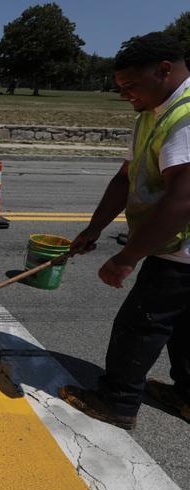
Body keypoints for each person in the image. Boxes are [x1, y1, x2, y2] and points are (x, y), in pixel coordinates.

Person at [60, 32, 190, 430]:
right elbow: (124, 179)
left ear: (164, 71)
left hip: (181, 249)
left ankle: (116, 400)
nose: (124, 95)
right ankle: (188, 396)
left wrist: (127, 258)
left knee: (141, 324)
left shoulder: (185, 118)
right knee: (182, 324)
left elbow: (183, 198)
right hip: (173, 244)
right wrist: (94, 228)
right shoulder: (153, 112)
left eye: (130, 86)